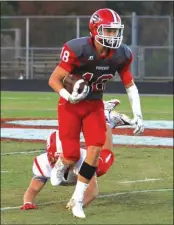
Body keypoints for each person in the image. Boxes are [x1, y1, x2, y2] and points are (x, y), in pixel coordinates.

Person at [48, 8, 144, 218]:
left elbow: (130, 86)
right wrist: (67, 95)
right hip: (71, 106)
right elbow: (54, 79)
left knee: (95, 149)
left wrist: (139, 114)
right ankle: (60, 164)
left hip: (95, 105)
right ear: (95, 29)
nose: (112, 35)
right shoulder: (77, 48)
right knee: (71, 154)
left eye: (115, 31)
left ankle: (77, 200)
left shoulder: (121, 54)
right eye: (108, 30)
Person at [20, 100, 132, 210]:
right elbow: (33, 188)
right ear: (49, 155)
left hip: (86, 160)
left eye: (63, 156)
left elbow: (92, 192)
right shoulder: (44, 163)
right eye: (57, 158)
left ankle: (106, 119)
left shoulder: (83, 160)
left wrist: (78, 204)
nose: (62, 161)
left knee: (104, 161)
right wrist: (28, 202)